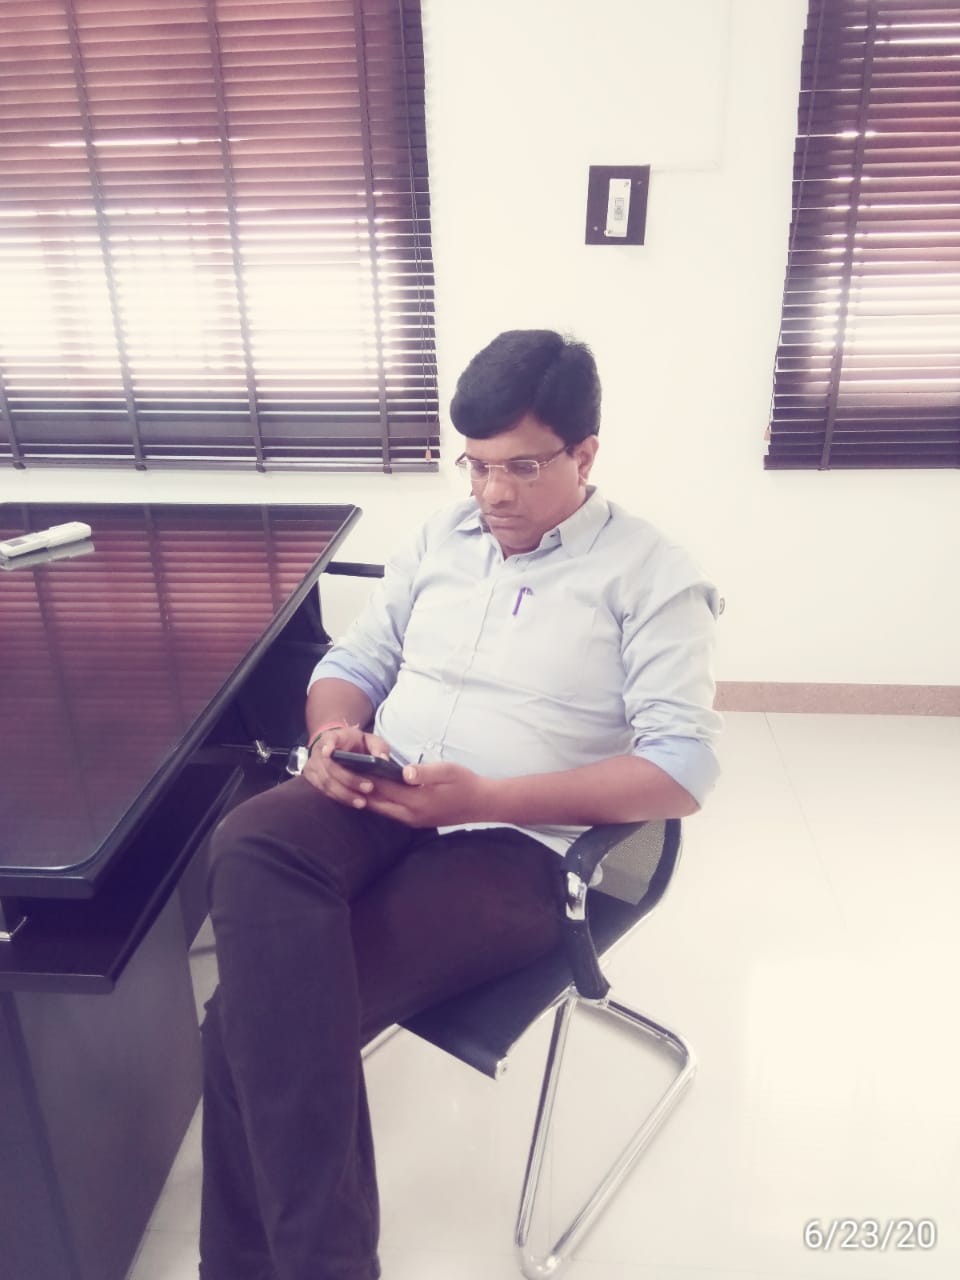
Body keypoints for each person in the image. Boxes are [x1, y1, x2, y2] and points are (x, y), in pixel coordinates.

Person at [199, 329, 722, 1280]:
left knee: (244, 1026)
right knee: (249, 839)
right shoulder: (442, 538)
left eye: (521, 467)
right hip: (387, 783)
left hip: (520, 846)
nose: (492, 493)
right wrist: (333, 735)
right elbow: (355, 662)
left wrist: (488, 798)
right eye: (476, 465)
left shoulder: (653, 575)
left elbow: (681, 769)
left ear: (585, 454)